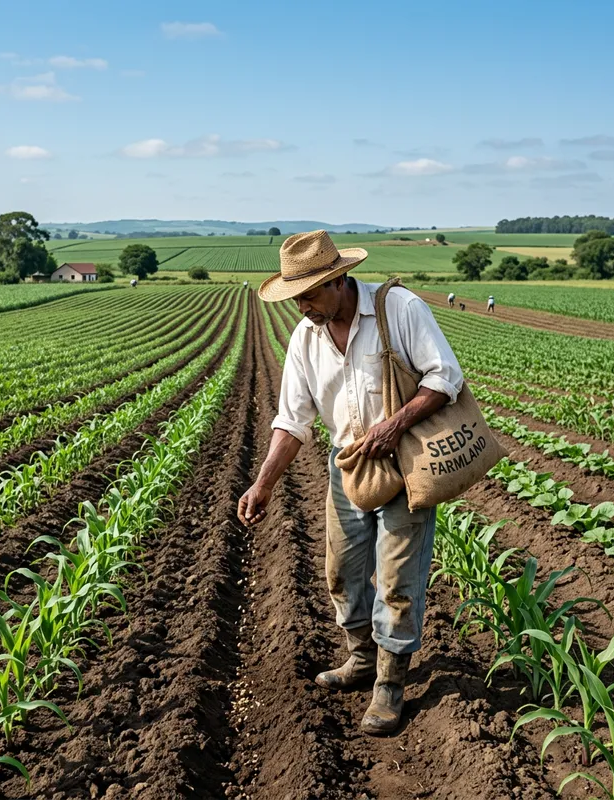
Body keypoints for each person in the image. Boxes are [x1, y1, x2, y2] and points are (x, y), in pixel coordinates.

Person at [237, 230, 463, 736]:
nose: (303, 307)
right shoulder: (305, 338)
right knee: (340, 571)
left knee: (398, 579)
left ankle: (389, 682)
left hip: (404, 463)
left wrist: (394, 424)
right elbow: (292, 421)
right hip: (349, 468)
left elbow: (444, 376)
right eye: (296, 298)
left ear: (339, 280)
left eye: (311, 295)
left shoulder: (398, 308)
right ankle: (360, 658)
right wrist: (263, 484)